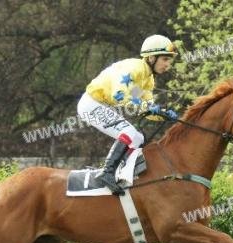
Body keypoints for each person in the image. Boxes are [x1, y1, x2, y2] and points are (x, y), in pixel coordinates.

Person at [77, 34, 179, 194]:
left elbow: (146, 107)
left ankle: (118, 172)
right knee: (129, 133)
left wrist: (163, 114)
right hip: (91, 104)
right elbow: (120, 96)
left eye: (169, 60)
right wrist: (147, 107)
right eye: (165, 59)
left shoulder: (148, 79)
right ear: (152, 58)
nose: (168, 65)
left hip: (100, 105)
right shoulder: (135, 68)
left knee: (138, 138)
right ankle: (106, 173)